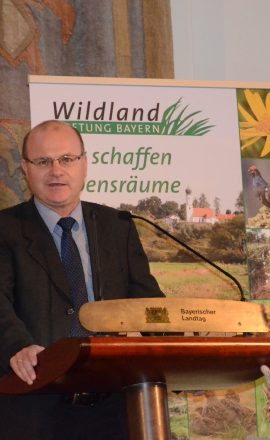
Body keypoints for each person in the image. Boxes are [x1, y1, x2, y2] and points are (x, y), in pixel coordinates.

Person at [0, 120, 165, 439]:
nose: (56, 170)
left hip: (115, 405)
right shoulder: (5, 229)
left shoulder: (117, 225)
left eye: (67, 159)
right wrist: (18, 347)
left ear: (84, 164)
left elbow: (147, 302)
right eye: (43, 161)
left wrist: (179, 340)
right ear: (25, 168)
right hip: (33, 401)